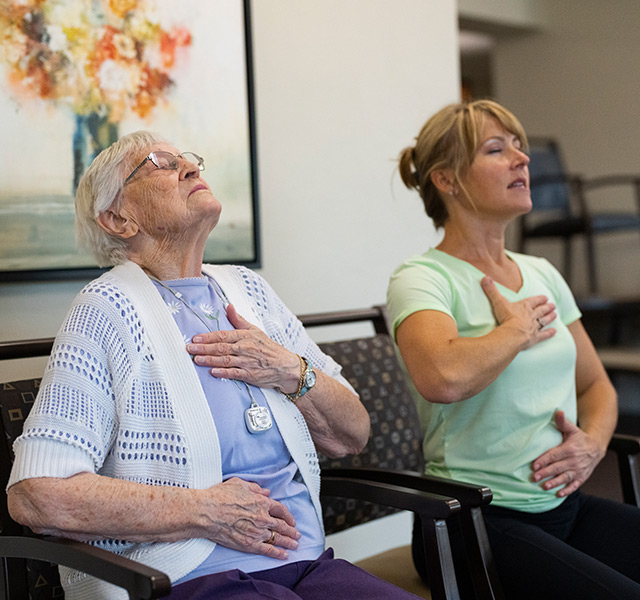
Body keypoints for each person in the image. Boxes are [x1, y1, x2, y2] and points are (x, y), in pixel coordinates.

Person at [7, 131, 422, 600]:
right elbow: (37, 494)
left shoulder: (248, 290)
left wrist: (290, 370)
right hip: (187, 579)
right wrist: (203, 511)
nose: (189, 167)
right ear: (117, 218)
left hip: (306, 566)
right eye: (159, 163)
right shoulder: (106, 308)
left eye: (188, 159)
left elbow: (352, 432)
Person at [387, 99, 640, 599]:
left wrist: (591, 445)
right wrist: (515, 332)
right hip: (471, 520)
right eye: (497, 149)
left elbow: (595, 386)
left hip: (565, 506)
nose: (522, 159)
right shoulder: (422, 278)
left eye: (519, 147)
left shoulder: (542, 273)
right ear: (447, 180)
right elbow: (442, 377)